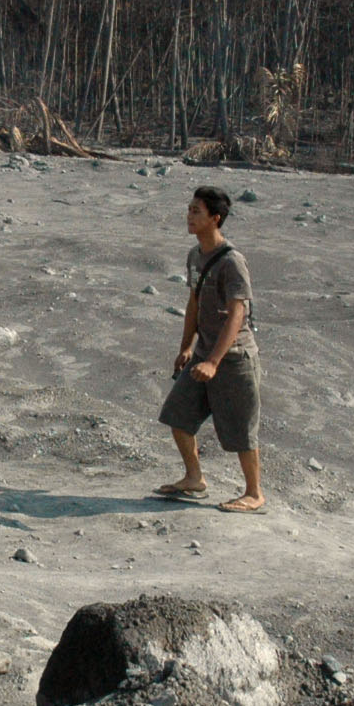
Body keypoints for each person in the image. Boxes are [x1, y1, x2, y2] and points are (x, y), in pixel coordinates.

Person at [156, 186, 265, 512]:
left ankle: (254, 493)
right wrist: (187, 346)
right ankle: (194, 478)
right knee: (178, 417)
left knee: (242, 430)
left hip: (233, 358)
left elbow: (237, 314)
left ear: (215, 219)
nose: (189, 216)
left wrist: (215, 361)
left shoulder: (232, 262)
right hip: (203, 354)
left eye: (196, 212)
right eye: (189, 210)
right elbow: (193, 303)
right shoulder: (194, 256)